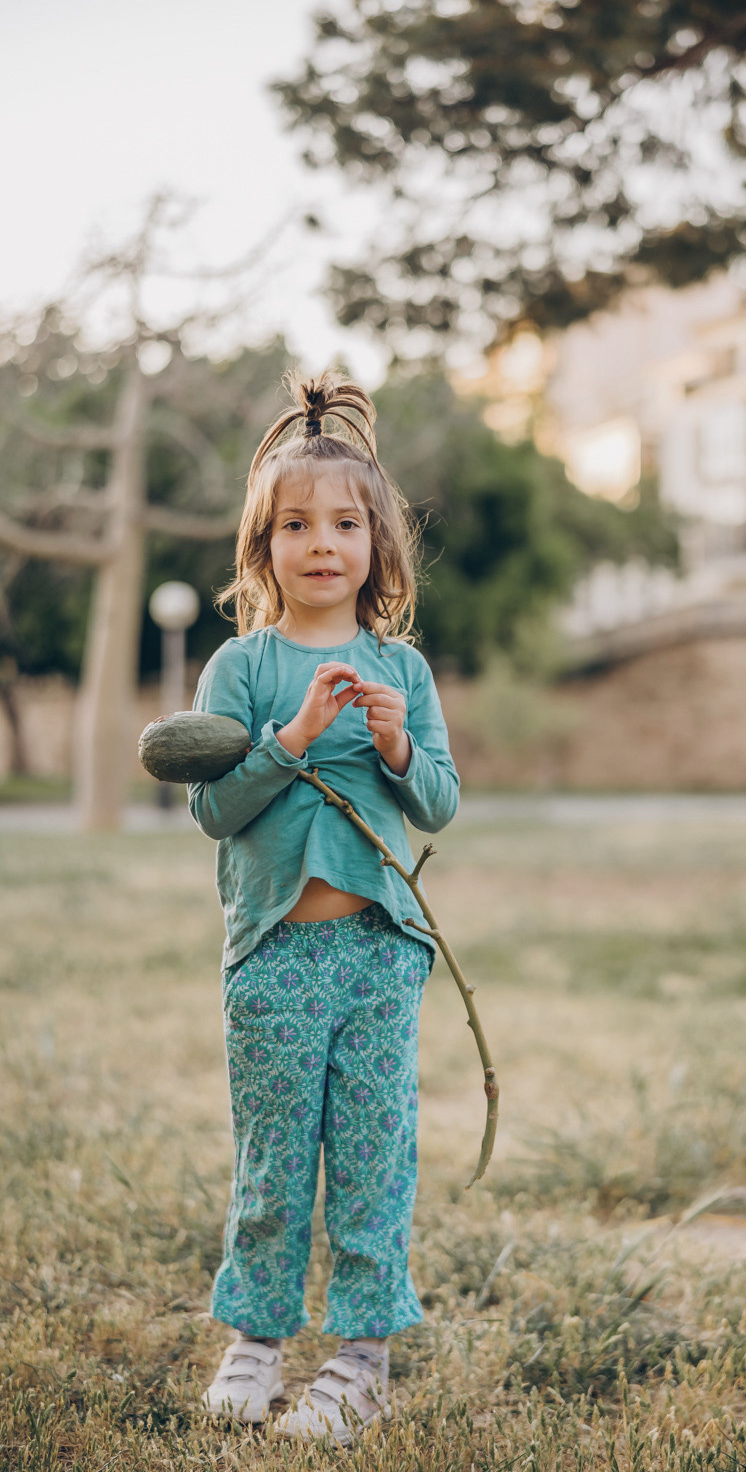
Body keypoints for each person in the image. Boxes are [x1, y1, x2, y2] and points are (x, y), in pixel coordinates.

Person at [188, 371, 460, 1444]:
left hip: (379, 952)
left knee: (371, 1153)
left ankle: (361, 1359)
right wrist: (290, 737)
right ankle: (255, 1341)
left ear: (376, 549)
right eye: (294, 525)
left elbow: (438, 799)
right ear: (263, 551)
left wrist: (394, 742)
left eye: (344, 524)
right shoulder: (241, 668)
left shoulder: (402, 667)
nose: (321, 544)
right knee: (272, 1162)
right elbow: (214, 808)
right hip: (274, 957)